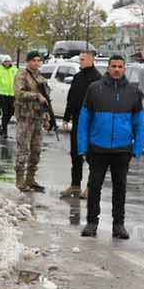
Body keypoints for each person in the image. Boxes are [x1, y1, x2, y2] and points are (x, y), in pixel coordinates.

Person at [76, 55, 144, 240]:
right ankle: (91, 222)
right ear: (107, 67)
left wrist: (137, 147)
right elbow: (84, 120)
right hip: (98, 148)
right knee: (94, 186)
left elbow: (139, 122)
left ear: (124, 68)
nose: (116, 69)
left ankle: (118, 225)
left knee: (120, 187)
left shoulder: (133, 92)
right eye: (113, 66)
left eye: (120, 66)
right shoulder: (94, 89)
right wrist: (83, 147)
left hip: (122, 149)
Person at [60, 50, 100, 200]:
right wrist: (66, 117)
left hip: (91, 122)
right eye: (80, 59)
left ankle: (91, 187)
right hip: (77, 120)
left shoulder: (97, 79)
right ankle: (75, 185)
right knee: (75, 154)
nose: (81, 62)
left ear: (91, 59)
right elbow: (71, 99)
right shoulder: (77, 77)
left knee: (91, 156)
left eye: (83, 59)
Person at [12, 51, 54, 193]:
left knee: (36, 151)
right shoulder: (21, 75)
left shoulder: (40, 78)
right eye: (34, 60)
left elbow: (46, 101)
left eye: (38, 60)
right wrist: (35, 95)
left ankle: (30, 178)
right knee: (23, 149)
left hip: (37, 117)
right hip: (25, 117)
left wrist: (47, 118)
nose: (36, 63)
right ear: (28, 61)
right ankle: (20, 179)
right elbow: (19, 94)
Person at [0, 56, 18, 137]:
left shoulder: (14, 69)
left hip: (12, 94)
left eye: (8, 61)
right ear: (2, 62)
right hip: (2, 94)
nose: (7, 63)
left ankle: (2, 125)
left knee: (12, 111)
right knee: (5, 113)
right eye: (5, 61)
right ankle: (4, 131)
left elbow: (18, 80)